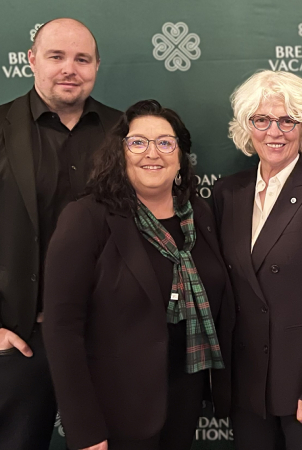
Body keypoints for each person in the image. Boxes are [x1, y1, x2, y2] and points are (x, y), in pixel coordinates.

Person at [42, 100, 232, 450]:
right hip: (115, 411)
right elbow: (61, 328)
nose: (152, 153)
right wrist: (84, 427)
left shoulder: (197, 214)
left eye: (165, 142)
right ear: (120, 153)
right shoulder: (87, 218)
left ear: (179, 157)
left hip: (184, 399)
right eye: (138, 142)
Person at [212, 70, 302, 450]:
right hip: (247, 385)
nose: (274, 132)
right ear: (247, 126)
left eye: (287, 120)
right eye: (262, 119)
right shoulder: (227, 194)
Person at [0, 17, 121, 450]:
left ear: (96, 66)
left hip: (107, 340)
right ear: (31, 60)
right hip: (18, 341)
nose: (70, 68)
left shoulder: (126, 134)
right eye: (56, 56)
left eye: (82, 59)